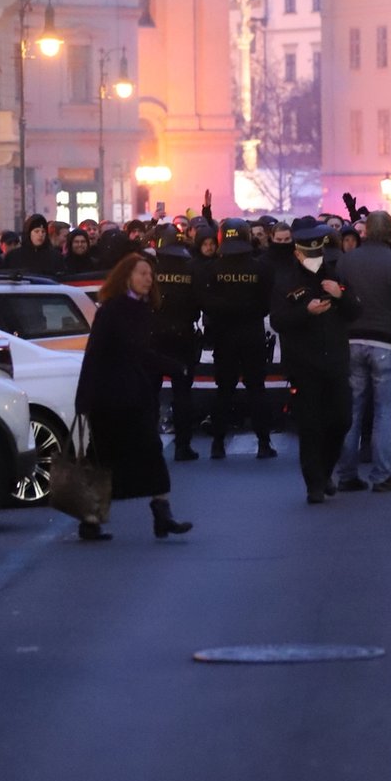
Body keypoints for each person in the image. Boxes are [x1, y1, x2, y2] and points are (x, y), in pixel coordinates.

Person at [73, 253, 192, 541]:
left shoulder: (139, 309)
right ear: (126, 276)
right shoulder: (114, 309)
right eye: (142, 273)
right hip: (109, 399)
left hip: (131, 395)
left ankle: (162, 513)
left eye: (151, 275)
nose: (148, 279)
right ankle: (89, 521)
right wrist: (175, 366)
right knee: (104, 462)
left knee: (150, 452)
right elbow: (108, 353)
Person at [270, 223, 361, 504]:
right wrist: (305, 312)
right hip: (303, 364)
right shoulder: (286, 280)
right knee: (310, 427)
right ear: (298, 254)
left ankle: (326, 470)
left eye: (318, 253)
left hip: (335, 361)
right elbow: (278, 320)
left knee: (342, 419)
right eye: (309, 254)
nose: (315, 259)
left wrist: (341, 295)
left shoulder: (334, 274)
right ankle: (315, 484)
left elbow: (356, 310)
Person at [332, 210, 391, 493]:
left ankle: (346, 473)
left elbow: (339, 301)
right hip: (387, 342)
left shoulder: (346, 261)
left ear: (365, 231)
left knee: (353, 410)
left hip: (351, 339)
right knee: (384, 411)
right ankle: (381, 475)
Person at [200, 218, 275, 460]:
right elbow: (266, 304)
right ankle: (264, 444)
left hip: (224, 335)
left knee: (224, 390)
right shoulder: (261, 268)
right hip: (252, 333)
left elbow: (207, 304)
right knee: (257, 389)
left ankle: (218, 444)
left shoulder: (212, 269)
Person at [151, 223, 208, 461]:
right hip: (183, 336)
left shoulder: (149, 270)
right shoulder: (191, 268)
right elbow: (199, 303)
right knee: (182, 393)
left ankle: (150, 446)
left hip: (153, 338)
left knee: (150, 393)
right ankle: (183, 447)